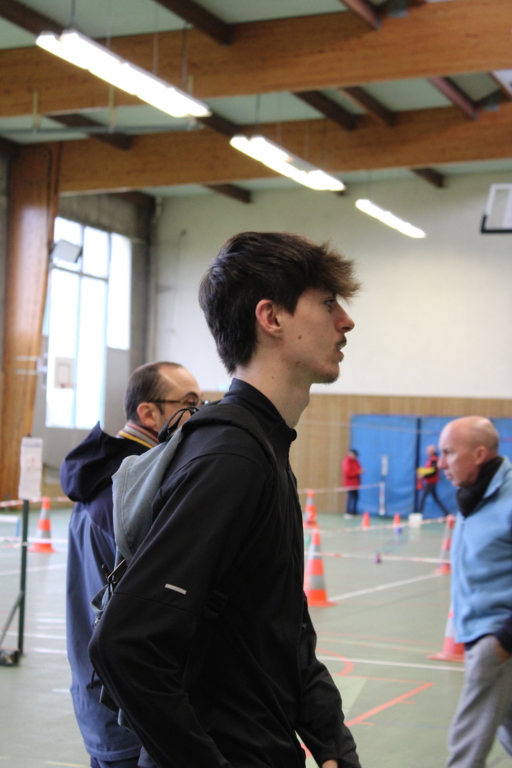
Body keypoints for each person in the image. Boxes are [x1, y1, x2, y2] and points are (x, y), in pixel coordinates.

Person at [89, 231, 362, 768]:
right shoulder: (232, 457)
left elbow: (283, 630)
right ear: (271, 317)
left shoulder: (262, 447)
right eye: (329, 303)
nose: (345, 320)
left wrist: (332, 744)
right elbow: (126, 645)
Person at [62, 362, 202, 768]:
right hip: (127, 707)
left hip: (105, 694)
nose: (197, 415)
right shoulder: (129, 490)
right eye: (188, 404)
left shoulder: (110, 475)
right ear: (148, 413)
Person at [438, 416, 512, 768]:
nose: (441, 463)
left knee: (466, 748)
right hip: (481, 638)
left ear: (480, 454)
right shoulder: (474, 494)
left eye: (449, 453)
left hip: (497, 643)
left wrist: (502, 642)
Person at [417, 444, 449, 515]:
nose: (426, 452)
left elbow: (433, 471)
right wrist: (421, 472)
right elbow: (429, 470)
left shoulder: (434, 459)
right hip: (430, 481)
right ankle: (447, 513)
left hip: (431, 482)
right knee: (436, 499)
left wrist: (423, 475)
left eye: (428, 450)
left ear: (431, 451)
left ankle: (419, 514)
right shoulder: (431, 459)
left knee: (423, 498)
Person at [342, 448, 363, 517]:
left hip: (356, 483)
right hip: (350, 483)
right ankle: (348, 512)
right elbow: (348, 473)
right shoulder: (347, 461)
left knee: (356, 497)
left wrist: (360, 471)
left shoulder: (355, 461)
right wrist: (357, 472)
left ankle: (354, 512)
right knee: (350, 498)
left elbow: (358, 468)